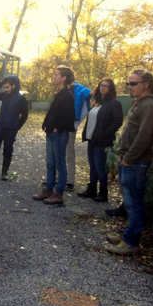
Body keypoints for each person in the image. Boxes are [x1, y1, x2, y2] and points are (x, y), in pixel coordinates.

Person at [105, 70, 153, 255]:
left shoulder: (150, 105)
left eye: (133, 83)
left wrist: (129, 159)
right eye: (128, 83)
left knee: (134, 203)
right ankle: (128, 234)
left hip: (136, 162)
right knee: (129, 203)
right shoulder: (140, 102)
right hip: (129, 160)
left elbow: (144, 137)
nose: (129, 87)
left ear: (146, 85)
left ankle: (131, 242)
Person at [32, 65, 75, 205]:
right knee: (50, 163)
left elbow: (70, 116)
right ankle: (49, 189)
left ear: (64, 78)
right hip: (50, 133)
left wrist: (58, 128)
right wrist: (45, 124)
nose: (53, 77)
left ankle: (59, 193)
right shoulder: (58, 93)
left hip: (59, 134)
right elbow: (52, 112)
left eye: (56, 75)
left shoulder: (67, 96)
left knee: (60, 164)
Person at [77, 78, 123, 202]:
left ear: (111, 89)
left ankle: (103, 193)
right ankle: (92, 190)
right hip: (92, 139)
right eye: (101, 85)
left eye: (106, 86)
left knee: (100, 167)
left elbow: (117, 121)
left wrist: (104, 134)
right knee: (92, 166)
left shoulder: (114, 103)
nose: (103, 88)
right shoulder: (97, 102)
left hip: (102, 141)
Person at [65, 80, 92, 191]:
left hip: (71, 125)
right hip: (60, 125)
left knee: (69, 152)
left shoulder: (80, 90)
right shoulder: (62, 89)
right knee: (58, 153)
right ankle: (58, 177)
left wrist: (76, 123)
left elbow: (90, 94)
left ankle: (70, 180)